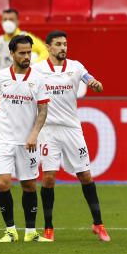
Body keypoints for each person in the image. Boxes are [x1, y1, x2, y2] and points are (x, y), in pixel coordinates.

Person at [0, 34, 52, 243]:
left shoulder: (38, 79)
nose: (27, 56)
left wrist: (35, 133)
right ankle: (10, 230)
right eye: (23, 53)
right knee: (3, 183)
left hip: (27, 141)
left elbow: (43, 110)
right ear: (12, 54)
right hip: (4, 139)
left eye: (29, 52)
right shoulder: (1, 77)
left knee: (29, 185)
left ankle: (30, 232)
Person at [33, 30, 110, 242]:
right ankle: (48, 228)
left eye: (65, 44)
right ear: (48, 47)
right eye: (58, 44)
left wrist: (96, 84)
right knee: (48, 178)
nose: (63, 48)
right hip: (48, 130)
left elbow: (91, 80)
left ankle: (98, 224)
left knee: (85, 175)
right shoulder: (37, 70)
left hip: (71, 129)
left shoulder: (76, 67)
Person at [0, 8, 49, 77]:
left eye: (11, 19)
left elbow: (45, 51)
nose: (7, 22)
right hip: (2, 80)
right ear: (1, 22)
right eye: (5, 20)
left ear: (17, 22)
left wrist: (34, 66)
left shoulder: (25, 37)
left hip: (19, 79)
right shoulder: (0, 40)